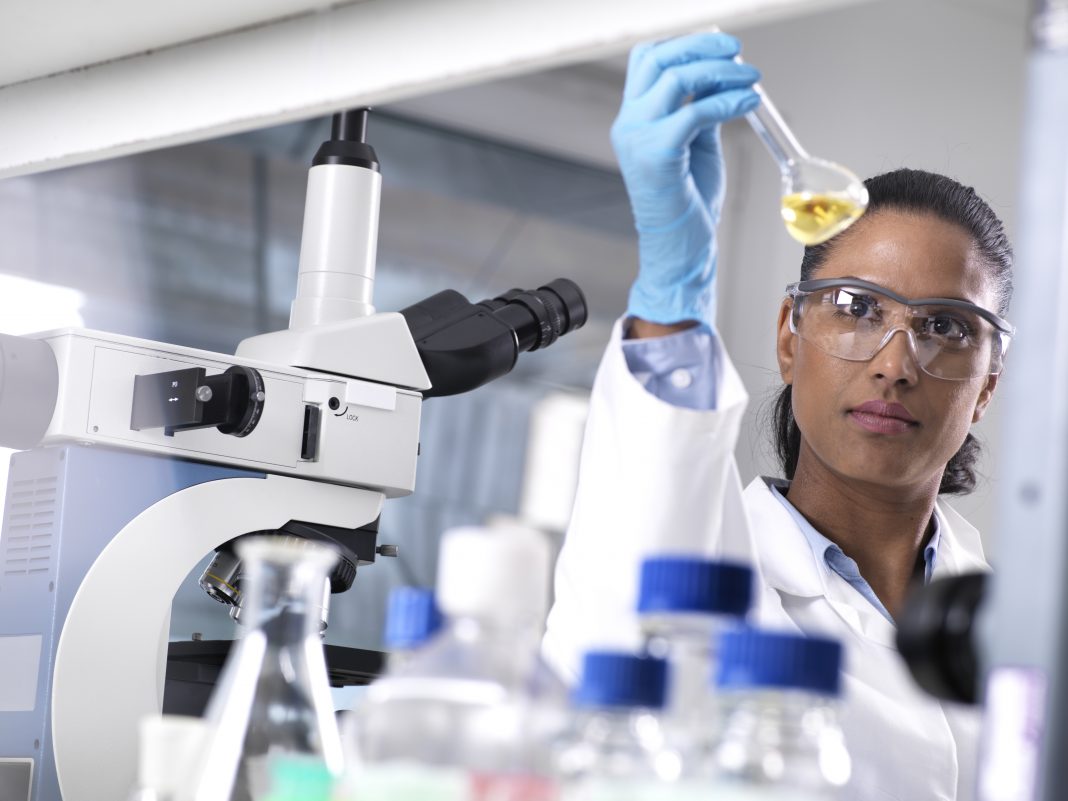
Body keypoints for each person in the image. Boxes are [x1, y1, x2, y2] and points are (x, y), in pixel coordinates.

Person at [542, 32, 1014, 801]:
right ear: (788, 340)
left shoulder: (1013, 623)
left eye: (945, 326)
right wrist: (672, 297)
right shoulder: (707, 562)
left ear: (987, 384)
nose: (895, 363)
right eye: (856, 309)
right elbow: (608, 670)